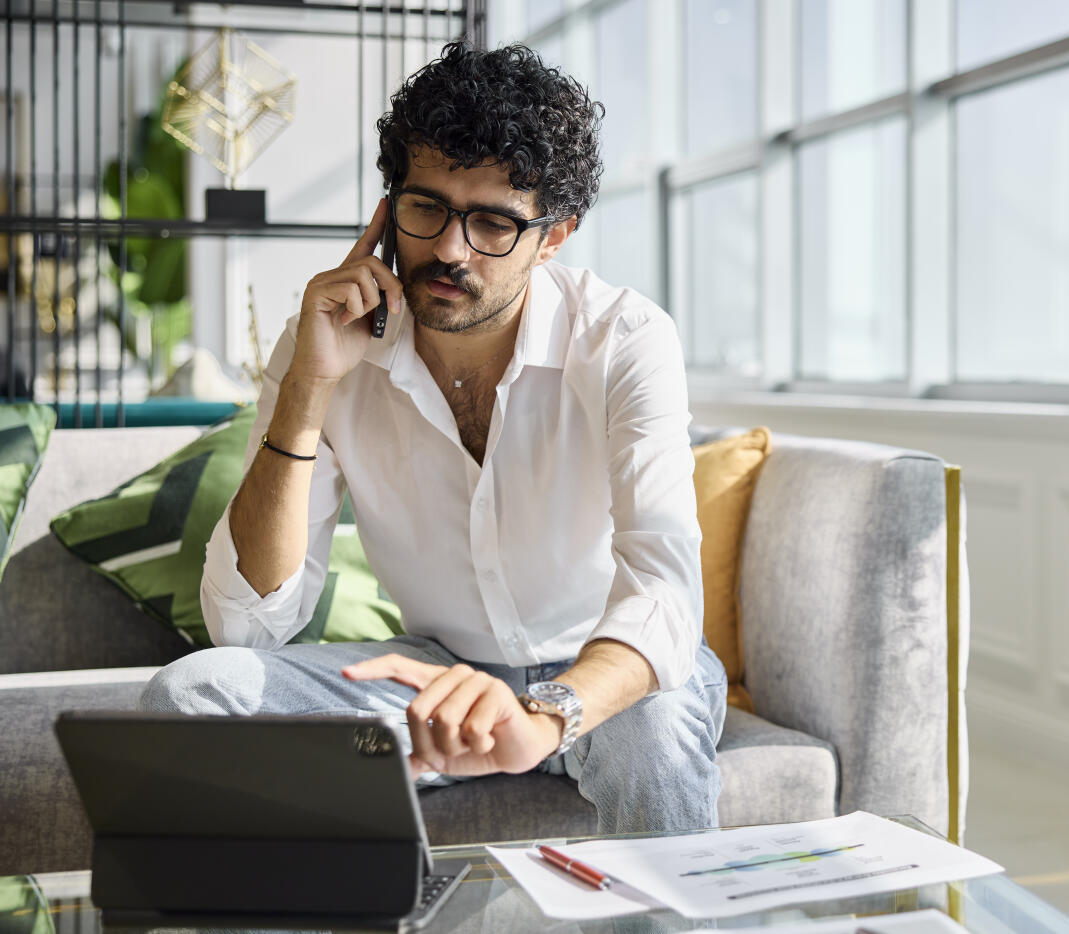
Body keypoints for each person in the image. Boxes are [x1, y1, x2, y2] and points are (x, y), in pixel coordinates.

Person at [139, 41, 727, 835]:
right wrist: (310, 389)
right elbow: (249, 626)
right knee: (193, 692)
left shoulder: (623, 338)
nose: (450, 250)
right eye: (427, 209)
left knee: (652, 733)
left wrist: (548, 713)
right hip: (436, 672)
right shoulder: (322, 344)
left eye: (492, 223)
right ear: (388, 209)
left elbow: (663, 594)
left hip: (607, 669)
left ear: (554, 236)